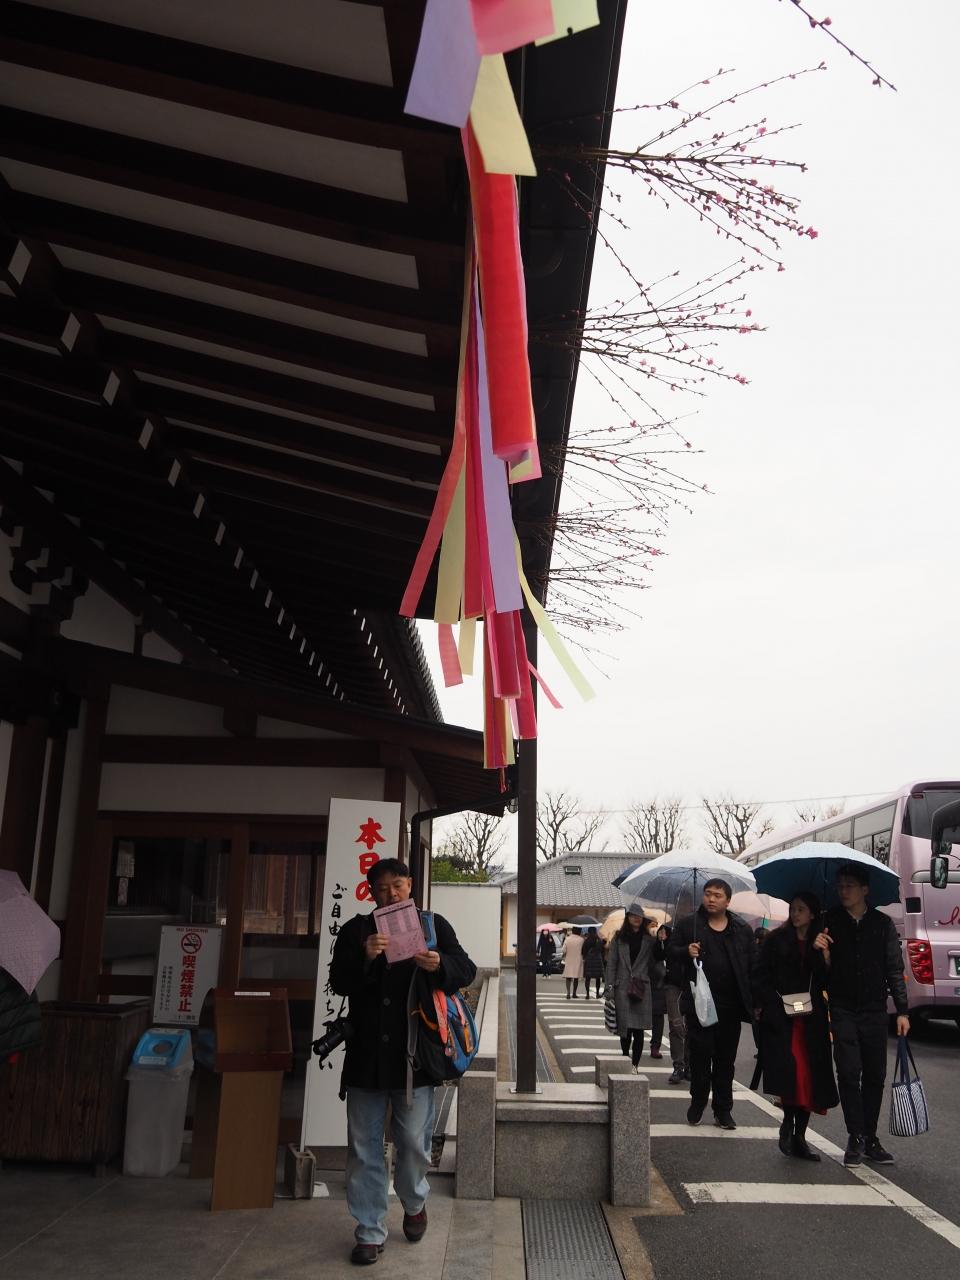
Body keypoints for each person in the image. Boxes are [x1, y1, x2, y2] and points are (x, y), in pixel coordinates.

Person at [330, 858, 476, 1266]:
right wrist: (365, 957)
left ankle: (414, 1202)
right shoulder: (357, 930)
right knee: (364, 1148)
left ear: (410, 885)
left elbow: (465, 969)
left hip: (415, 1059)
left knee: (413, 1142)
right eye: (382, 888)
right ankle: (369, 1230)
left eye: (397, 885)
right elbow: (339, 982)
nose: (391, 894)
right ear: (370, 892)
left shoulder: (432, 925)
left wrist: (440, 964)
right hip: (366, 1059)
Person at [814, 862, 909, 1167]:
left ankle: (870, 1137)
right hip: (842, 1007)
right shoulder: (828, 922)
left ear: (865, 890)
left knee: (875, 1075)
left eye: (850, 886)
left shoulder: (882, 924)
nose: (843, 891)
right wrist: (823, 954)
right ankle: (855, 1136)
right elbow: (820, 976)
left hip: (874, 1009)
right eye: (840, 885)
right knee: (848, 1071)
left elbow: (894, 968)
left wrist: (902, 1010)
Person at [755, 893, 839, 1161]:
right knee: (793, 1073)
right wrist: (772, 1004)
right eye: (792, 909)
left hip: (811, 1019)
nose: (795, 914)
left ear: (813, 914)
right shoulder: (776, 940)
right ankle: (787, 1124)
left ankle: (800, 1136)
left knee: (810, 1078)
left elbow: (826, 981)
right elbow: (760, 975)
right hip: (783, 1018)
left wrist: (824, 956)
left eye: (801, 909)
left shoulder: (821, 940)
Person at [669, 878, 756, 1129]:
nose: (711, 899)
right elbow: (669, 951)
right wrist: (686, 951)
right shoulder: (689, 925)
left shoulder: (741, 929)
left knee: (725, 1060)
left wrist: (755, 1000)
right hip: (700, 1005)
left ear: (728, 901)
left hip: (731, 1006)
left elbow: (752, 964)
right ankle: (697, 1103)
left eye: (717, 895)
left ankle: (723, 1109)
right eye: (707, 894)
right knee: (700, 1056)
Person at [605, 910, 656, 1069]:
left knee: (639, 1030)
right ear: (627, 918)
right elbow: (612, 963)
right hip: (622, 987)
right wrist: (609, 986)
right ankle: (625, 1057)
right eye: (633, 915)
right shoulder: (619, 938)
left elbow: (657, 960)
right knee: (625, 1028)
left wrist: (661, 940)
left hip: (641, 988)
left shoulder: (649, 940)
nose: (636, 918)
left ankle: (635, 1066)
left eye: (639, 916)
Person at [662, 924, 689, 1085]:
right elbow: (663, 953)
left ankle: (689, 1064)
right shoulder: (670, 929)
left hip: (695, 983)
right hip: (673, 983)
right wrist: (662, 941)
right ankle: (678, 1065)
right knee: (676, 1024)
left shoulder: (702, 927)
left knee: (693, 1026)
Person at [648, 924, 670, 1060]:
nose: (662, 934)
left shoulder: (671, 947)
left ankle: (655, 1046)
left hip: (662, 987)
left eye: (664, 932)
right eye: (660, 932)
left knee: (658, 1017)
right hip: (649, 983)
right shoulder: (652, 945)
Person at [581, 927, 605, 998]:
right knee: (598, 978)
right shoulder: (599, 940)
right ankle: (597, 993)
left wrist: (585, 957)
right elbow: (602, 950)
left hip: (589, 960)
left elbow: (583, 951)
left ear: (589, 932)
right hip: (598, 960)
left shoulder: (587, 940)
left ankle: (587, 994)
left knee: (588, 978)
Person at [561, 926, 585, 999]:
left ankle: (568, 993)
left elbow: (563, 950)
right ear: (579, 931)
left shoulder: (567, 939)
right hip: (578, 959)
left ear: (573, 931)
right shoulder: (581, 940)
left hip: (569, 959)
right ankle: (574, 993)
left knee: (568, 976)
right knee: (576, 977)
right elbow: (583, 950)